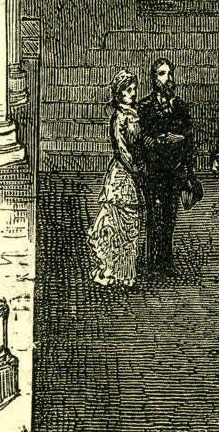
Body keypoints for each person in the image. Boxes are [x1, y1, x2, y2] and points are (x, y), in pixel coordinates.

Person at [137, 57, 202, 275]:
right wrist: (159, 141)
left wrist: (188, 171)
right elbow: (140, 140)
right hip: (154, 170)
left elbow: (189, 139)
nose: (168, 78)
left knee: (169, 217)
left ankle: (166, 261)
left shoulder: (181, 107)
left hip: (174, 170)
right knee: (154, 215)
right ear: (154, 78)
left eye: (170, 73)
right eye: (162, 74)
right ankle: (151, 262)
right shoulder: (144, 107)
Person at [87, 70, 145, 287]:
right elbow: (121, 148)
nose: (132, 93)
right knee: (118, 221)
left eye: (133, 89)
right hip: (122, 174)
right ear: (118, 94)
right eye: (127, 90)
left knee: (130, 225)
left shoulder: (134, 113)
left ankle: (126, 272)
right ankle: (113, 269)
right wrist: (136, 168)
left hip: (135, 170)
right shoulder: (119, 117)